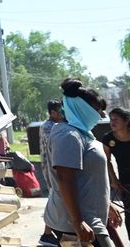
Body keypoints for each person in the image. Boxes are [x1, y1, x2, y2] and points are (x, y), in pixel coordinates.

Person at [44, 78, 121, 247]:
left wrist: (106, 203)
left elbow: (87, 179)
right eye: (95, 110)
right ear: (81, 108)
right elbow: (65, 179)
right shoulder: (68, 135)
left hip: (91, 220)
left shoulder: (83, 134)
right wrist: (77, 221)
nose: (99, 115)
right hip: (78, 225)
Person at [102, 107, 130, 241]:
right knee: (129, 213)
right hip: (125, 183)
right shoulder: (108, 139)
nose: (112, 123)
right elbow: (106, 160)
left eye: (116, 120)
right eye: (110, 120)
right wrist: (113, 179)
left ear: (126, 121)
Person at [39, 99, 64, 246]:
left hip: (53, 168)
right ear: (53, 113)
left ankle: (48, 233)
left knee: (55, 199)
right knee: (55, 198)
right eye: (60, 112)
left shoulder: (54, 125)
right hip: (51, 168)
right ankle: (47, 233)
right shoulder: (49, 126)